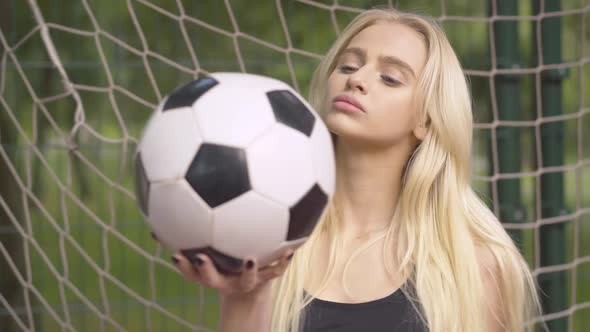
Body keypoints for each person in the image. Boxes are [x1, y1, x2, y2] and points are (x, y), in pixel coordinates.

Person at [171, 7, 543, 332]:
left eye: (390, 78)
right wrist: (243, 300)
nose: (357, 79)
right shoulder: (273, 242)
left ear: (426, 121)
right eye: (348, 65)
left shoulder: (472, 263)